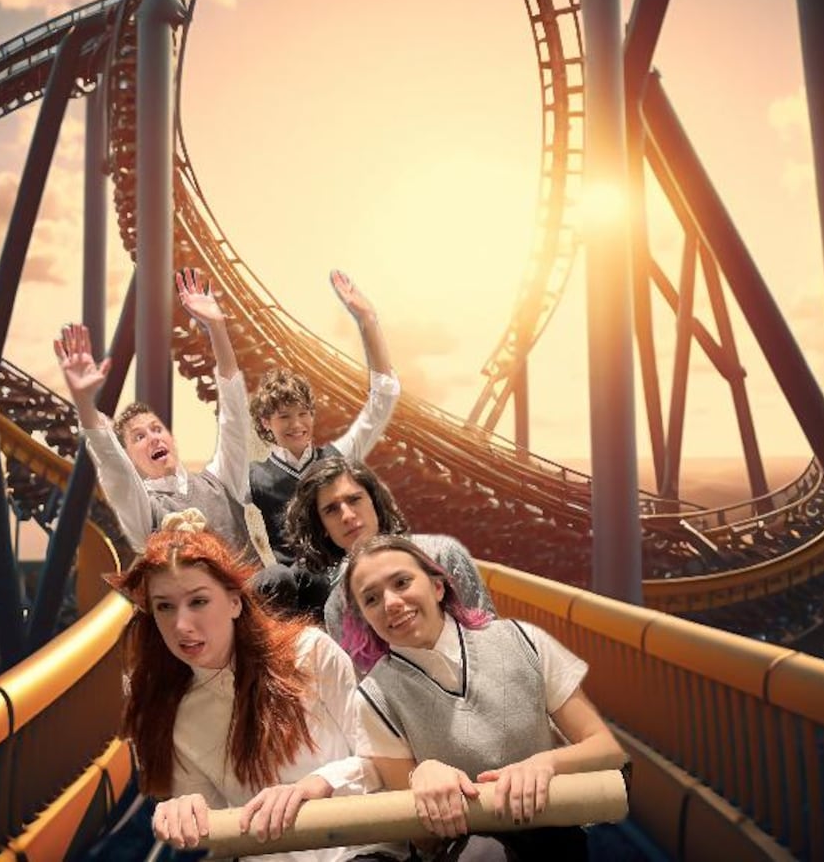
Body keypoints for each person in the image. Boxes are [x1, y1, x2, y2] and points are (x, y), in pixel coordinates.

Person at [114, 514, 405, 862]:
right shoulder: (172, 714)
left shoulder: (310, 653)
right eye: (164, 607)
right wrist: (187, 811)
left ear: (235, 601)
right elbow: (218, 840)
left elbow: (380, 762)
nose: (181, 625)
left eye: (198, 601)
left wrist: (316, 785)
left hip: (360, 850)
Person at [343, 535, 626, 860]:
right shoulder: (374, 698)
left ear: (437, 587)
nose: (390, 602)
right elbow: (424, 842)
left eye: (402, 582)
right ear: (364, 618)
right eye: (372, 599)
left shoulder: (523, 641)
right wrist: (420, 776)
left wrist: (544, 764)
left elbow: (608, 751)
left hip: (550, 834)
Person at [55, 268, 276, 569]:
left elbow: (234, 415)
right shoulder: (145, 509)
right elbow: (113, 466)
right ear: (131, 457)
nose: (153, 437)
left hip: (257, 607)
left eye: (156, 429)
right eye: (139, 437)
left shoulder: (221, 480)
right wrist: (83, 401)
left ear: (171, 438)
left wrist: (217, 328)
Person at [248, 271, 399, 613]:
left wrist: (367, 321)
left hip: (347, 579)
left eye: (303, 414)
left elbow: (383, 399)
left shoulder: (337, 458)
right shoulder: (254, 477)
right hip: (297, 596)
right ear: (266, 424)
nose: (297, 425)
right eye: (284, 416)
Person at [283, 457, 493, 660]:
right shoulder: (337, 608)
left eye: (354, 499)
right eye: (331, 510)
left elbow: (490, 639)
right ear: (323, 528)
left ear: (374, 502)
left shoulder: (441, 555)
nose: (347, 516)